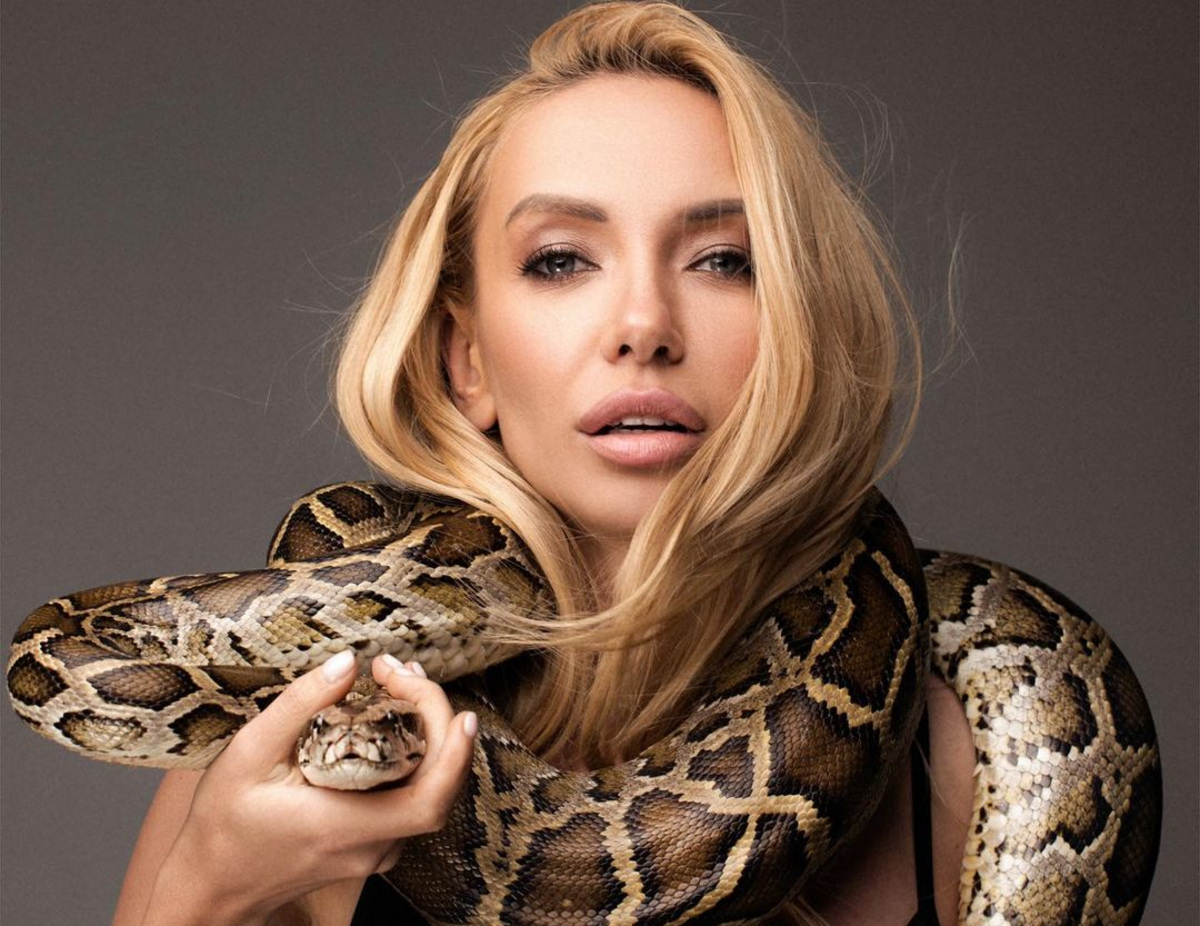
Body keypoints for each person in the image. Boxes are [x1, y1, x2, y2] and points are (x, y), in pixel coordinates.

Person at [112, 3, 980, 924]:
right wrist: (210, 885)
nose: (643, 325)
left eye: (725, 260)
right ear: (467, 359)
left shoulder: (952, 764)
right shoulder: (283, 763)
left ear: (804, 325)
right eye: (562, 260)